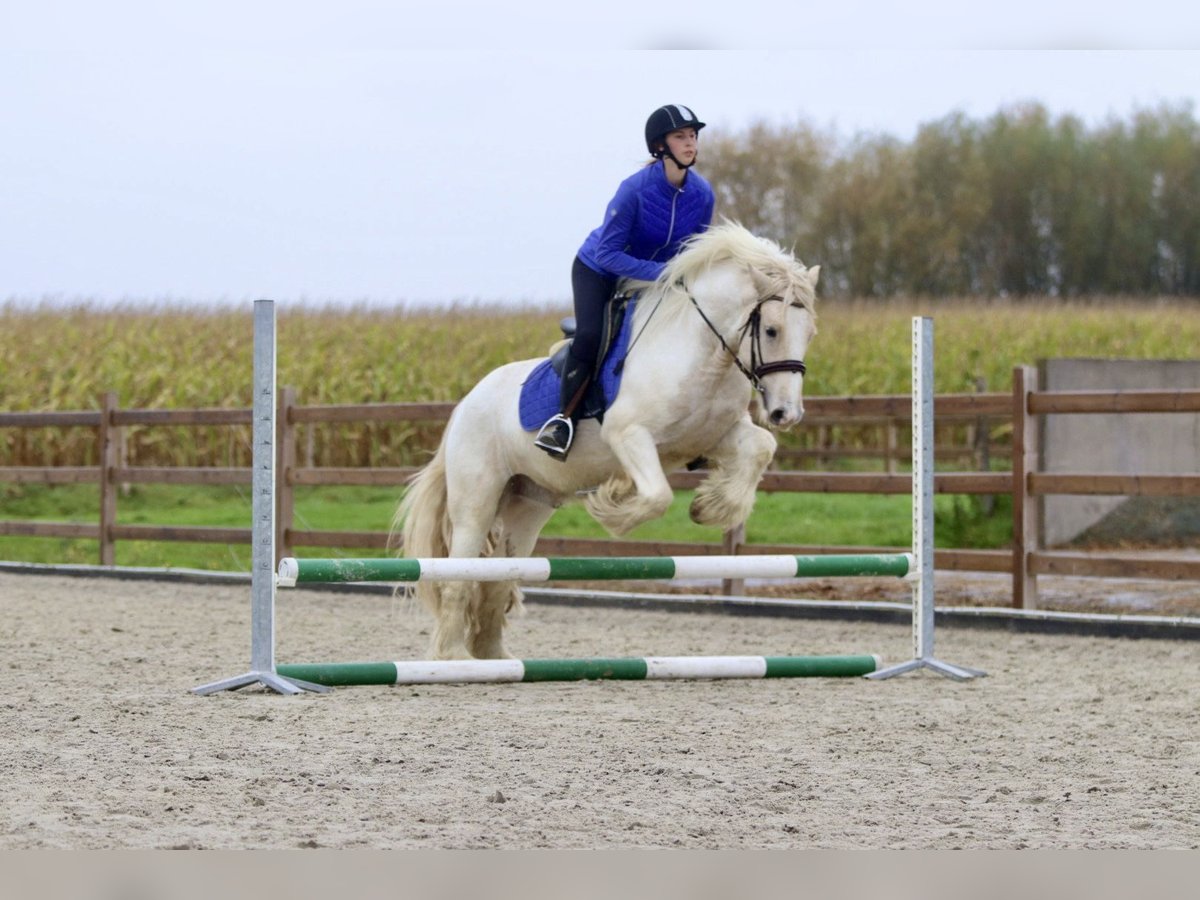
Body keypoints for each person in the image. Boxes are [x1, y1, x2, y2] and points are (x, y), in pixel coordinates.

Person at [534, 104, 716, 461]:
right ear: (660, 146)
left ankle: (694, 428)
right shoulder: (633, 191)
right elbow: (608, 254)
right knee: (590, 336)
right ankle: (563, 421)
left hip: (654, 280)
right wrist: (663, 275)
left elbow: (694, 251)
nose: (690, 143)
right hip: (599, 271)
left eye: (693, 136)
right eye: (681, 136)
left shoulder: (703, 194)